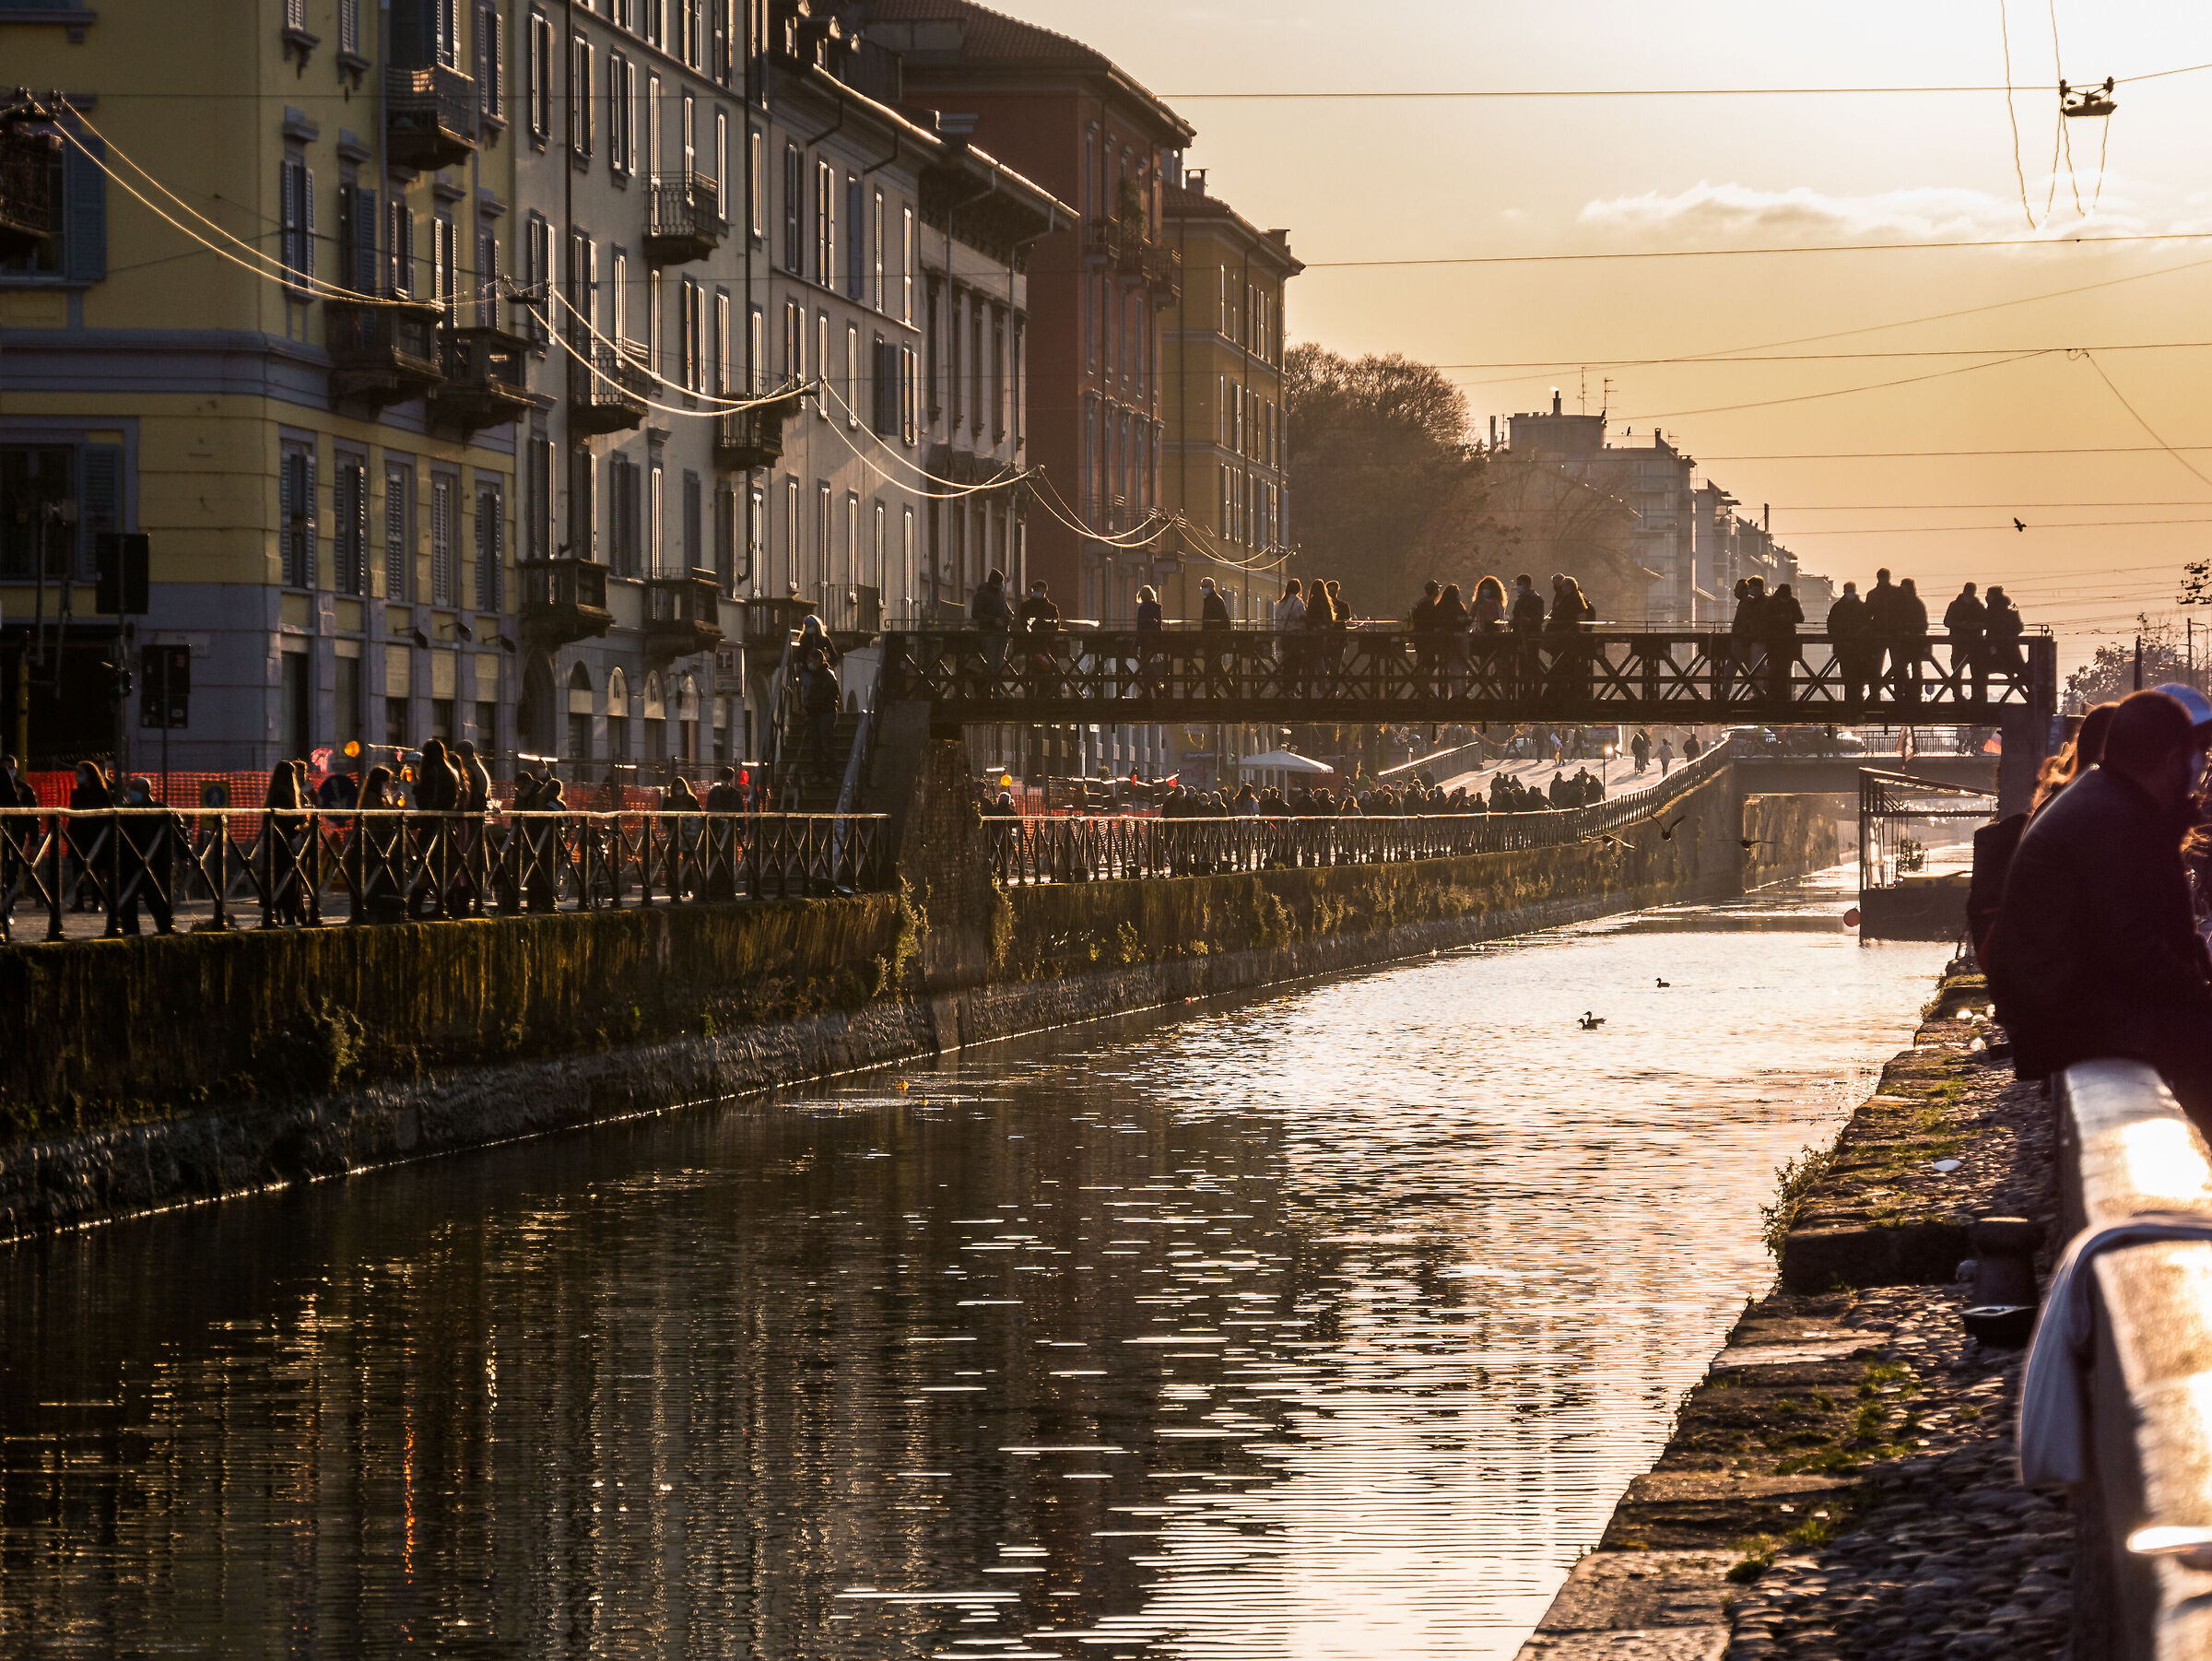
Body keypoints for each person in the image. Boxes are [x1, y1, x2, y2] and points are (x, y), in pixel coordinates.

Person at [1985, 689, 2212, 1127]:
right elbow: (2134, 945)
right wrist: (2201, 997)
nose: (2199, 767)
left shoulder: (2111, 799)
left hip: (2069, 998)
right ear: (2167, 759)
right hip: (2065, 1012)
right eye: (2196, 754)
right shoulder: (2112, 818)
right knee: (2197, 1036)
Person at [1545, 573, 1595, 704]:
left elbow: (1582, 614)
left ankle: (1565, 689)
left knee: (1566, 662)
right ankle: (1558, 689)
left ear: (1569, 586)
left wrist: (1580, 633)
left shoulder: (1575, 597)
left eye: (1562, 585)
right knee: (1560, 661)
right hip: (1560, 637)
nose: (1559, 588)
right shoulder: (1563, 597)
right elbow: (1556, 612)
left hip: (1568, 637)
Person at [797, 646, 841, 784]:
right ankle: (819, 774)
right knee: (816, 745)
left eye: (810, 660)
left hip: (825, 713)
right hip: (817, 714)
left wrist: (808, 708)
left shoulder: (827, 676)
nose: (808, 663)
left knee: (826, 744)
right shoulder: (818, 676)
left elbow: (824, 696)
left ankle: (831, 774)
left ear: (817, 660)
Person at [1827, 581, 1871, 714]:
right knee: (1852, 678)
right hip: (1852, 649)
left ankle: (1852, 707)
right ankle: (1855, 707)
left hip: (1852, 649)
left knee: (1854, 679)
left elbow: (1831, 626)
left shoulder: (1839, 607)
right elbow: (1831, 626)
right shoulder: (1861, 607)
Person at [971, 567, 1014, 690]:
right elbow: (975, 613)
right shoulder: (982, 595)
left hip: (1002, 633)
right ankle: (989, 689)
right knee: (991, 662)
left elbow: (1006, 611)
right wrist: (993, 620)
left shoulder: (1000, 595)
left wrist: (1008, 618)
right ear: (997, 582)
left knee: (998, 663)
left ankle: (995, 689)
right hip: (988, 633)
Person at [1943, 582, 1987, 701]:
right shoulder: (1978, 606)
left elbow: (1947, 622)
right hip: (1966, 643)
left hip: (1964, 643)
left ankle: (1966, 696)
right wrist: (1963, 625)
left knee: (1968, 671)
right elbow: (1947, 622)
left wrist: (1973, 625)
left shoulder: (1956, 605)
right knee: (1964, 671)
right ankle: (1967, 696)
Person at [1762, 582, 1804, 704]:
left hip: (1783, 642)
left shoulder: (1790, 602)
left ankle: (1781, 696)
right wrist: (1779, 617)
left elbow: (1800, 618)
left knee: (1783, 669)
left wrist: (1790, 617)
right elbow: (1764, 617)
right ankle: (1776, 696)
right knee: (1776, 669)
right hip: (1778, 641)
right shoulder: (1774, 602)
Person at [1018, 579, 1061, 696]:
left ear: (1044, 591)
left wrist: (1040, 627)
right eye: (1034, 589)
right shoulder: (1026, 606)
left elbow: (1056, 625)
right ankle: (1033, 695)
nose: (1035, 591)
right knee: (1032, 671)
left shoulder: (1050, 608)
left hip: (1045, 645)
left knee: (1045, 671)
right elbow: (1022, 622)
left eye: (1037, 589)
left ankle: (1041, 695)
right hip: (1032, 645)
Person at [1983, 585, 2026, 690]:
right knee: (2022, 671)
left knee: (1981, 669)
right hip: (2011, 649)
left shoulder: (1990, 613)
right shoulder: (2011, 612)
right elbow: (2019, 628)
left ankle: (1978, 698)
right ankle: (2033, 694)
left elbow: (1984, 625)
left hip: (1994, 649)